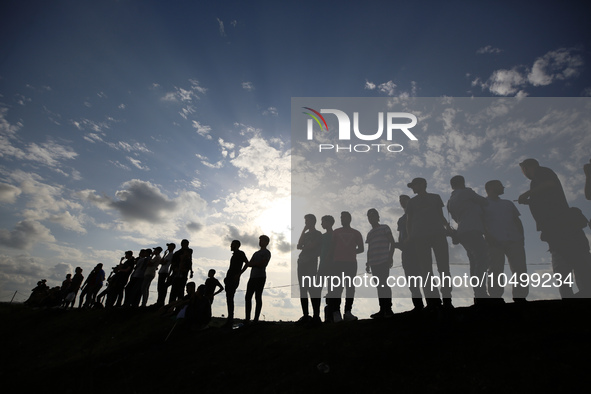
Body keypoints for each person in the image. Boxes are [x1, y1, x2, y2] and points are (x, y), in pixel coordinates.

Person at [518, 158, 591, 297]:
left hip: (561, 229)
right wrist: (530, 201)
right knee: (568, 269)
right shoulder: (537, 183)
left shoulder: (542, 172)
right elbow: (547, 200)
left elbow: (550, 184)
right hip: (555, 230)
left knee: (573, 266)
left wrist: (527, 193)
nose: (524, 174)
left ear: (526, 168)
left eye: (523, 171)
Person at [406, 178, 453, 309]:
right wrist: (410, 236)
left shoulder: (435, 197)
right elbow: (409, 221)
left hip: (438, 235)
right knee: (426, 271)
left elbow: (440, 215)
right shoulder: (412, 202)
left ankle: (447, 300)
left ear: (422, 184)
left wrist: (447, 228)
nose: (412, 188)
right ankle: (433, 302)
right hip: (420, 238)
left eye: (414, 185)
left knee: (444, 268)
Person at [483, 180, 528, 302]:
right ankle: (495, 297)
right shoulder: (483, 203)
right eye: (500, 185)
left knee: (520, 269)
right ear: (491, 187)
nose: (503, 187)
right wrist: (487, 236)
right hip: (494, 242)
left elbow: (517, 220)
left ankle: (520, 297)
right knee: (495, 270)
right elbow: (481, 222)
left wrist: (521, 237)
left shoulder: (508, 203)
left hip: (514, 240)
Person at [447, 175, 489, 303]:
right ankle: (481, 294)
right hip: (473, 230)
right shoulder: (467, 192)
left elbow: (454, 218)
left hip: (462, 231)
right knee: (482, 259)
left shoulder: (450, 201)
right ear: (462, 183)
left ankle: (478, 293)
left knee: (474, 262)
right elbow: (484, 202)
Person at [328, 211, 364, 321]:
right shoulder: (336, 232)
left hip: (351, 263)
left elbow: (361, 249)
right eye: (341, 218)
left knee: (350, 288)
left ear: (349, 219)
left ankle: (348, 312)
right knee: (337, 288)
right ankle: (336, 312)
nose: (342, 219)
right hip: (337, 263)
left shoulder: (356, 233)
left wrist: (351, 252)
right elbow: (332, 247)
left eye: (344, 217)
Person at [366, 208, 395, 318]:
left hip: (384, 260)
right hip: (373, 263)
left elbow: (392, 242)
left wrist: (390, 257)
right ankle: (382, 309)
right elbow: (369, 248)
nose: (371, 218)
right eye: (369, 216)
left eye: (373, 215)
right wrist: (368, 262)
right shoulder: (370, 233)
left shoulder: (385, 227)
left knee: (384, 284)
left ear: (377, 217)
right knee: (379, 285)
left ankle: (388, 309)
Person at [396, 195, 424, 311]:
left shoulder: (417, 213)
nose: (402, 202)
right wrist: (399, 244)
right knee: (411, 278)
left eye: (405, 199)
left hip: (417, 247)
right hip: (406, 250)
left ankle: (433, 303)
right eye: (401, 200)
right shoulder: (401, 219)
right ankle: (418, 305)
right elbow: (400, 235)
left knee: (424, 275)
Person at [296, 215, 322, 325]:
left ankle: (316, 316)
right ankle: (306, 315)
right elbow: (298, 245)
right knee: (303, 289)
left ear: (313, 221)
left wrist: (303, 247)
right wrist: (303, 230)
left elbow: (313, 246)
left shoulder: (318, 234)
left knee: (312, 289)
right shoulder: (305, 234)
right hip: (301, 262)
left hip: (311, 262)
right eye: (305, 220)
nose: (306, 222)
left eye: (308, 220)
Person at [245, 235, 271, 323]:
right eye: (260, 240)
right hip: (252, 277)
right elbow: (249, 263)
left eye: (262, 241)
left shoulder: (267, 252)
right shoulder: (256, 253)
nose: (260, 242)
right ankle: (247, 318)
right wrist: (254, 263)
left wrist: (254, 264)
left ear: (267, 242)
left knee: (258, 297)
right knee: (248, 297)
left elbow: (263, 264)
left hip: (260, 277)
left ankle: (256, 319)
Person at [224, 240, 249, 327]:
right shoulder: (234, 255)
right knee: (228, 298)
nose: (231, 246)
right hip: (229, 278)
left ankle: (230, 319)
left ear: (237, 245)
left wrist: (239, 274)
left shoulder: (240, 253)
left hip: (233, 279)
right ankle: (230, 318)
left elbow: (247, 263)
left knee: (230, 297)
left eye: (232, 245)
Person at [155, 243, 175, 307]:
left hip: (164, 272)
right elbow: (161, 261)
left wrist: (163, 260)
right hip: (162, 271)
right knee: (160, 287)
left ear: (172, 247)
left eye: (169, 246)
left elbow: (163, 262)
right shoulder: (168, 254)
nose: (168, 247)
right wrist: (164, 255)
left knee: (161, 287)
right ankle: (159, 301)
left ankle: (160, 302)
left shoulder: (171, 255)